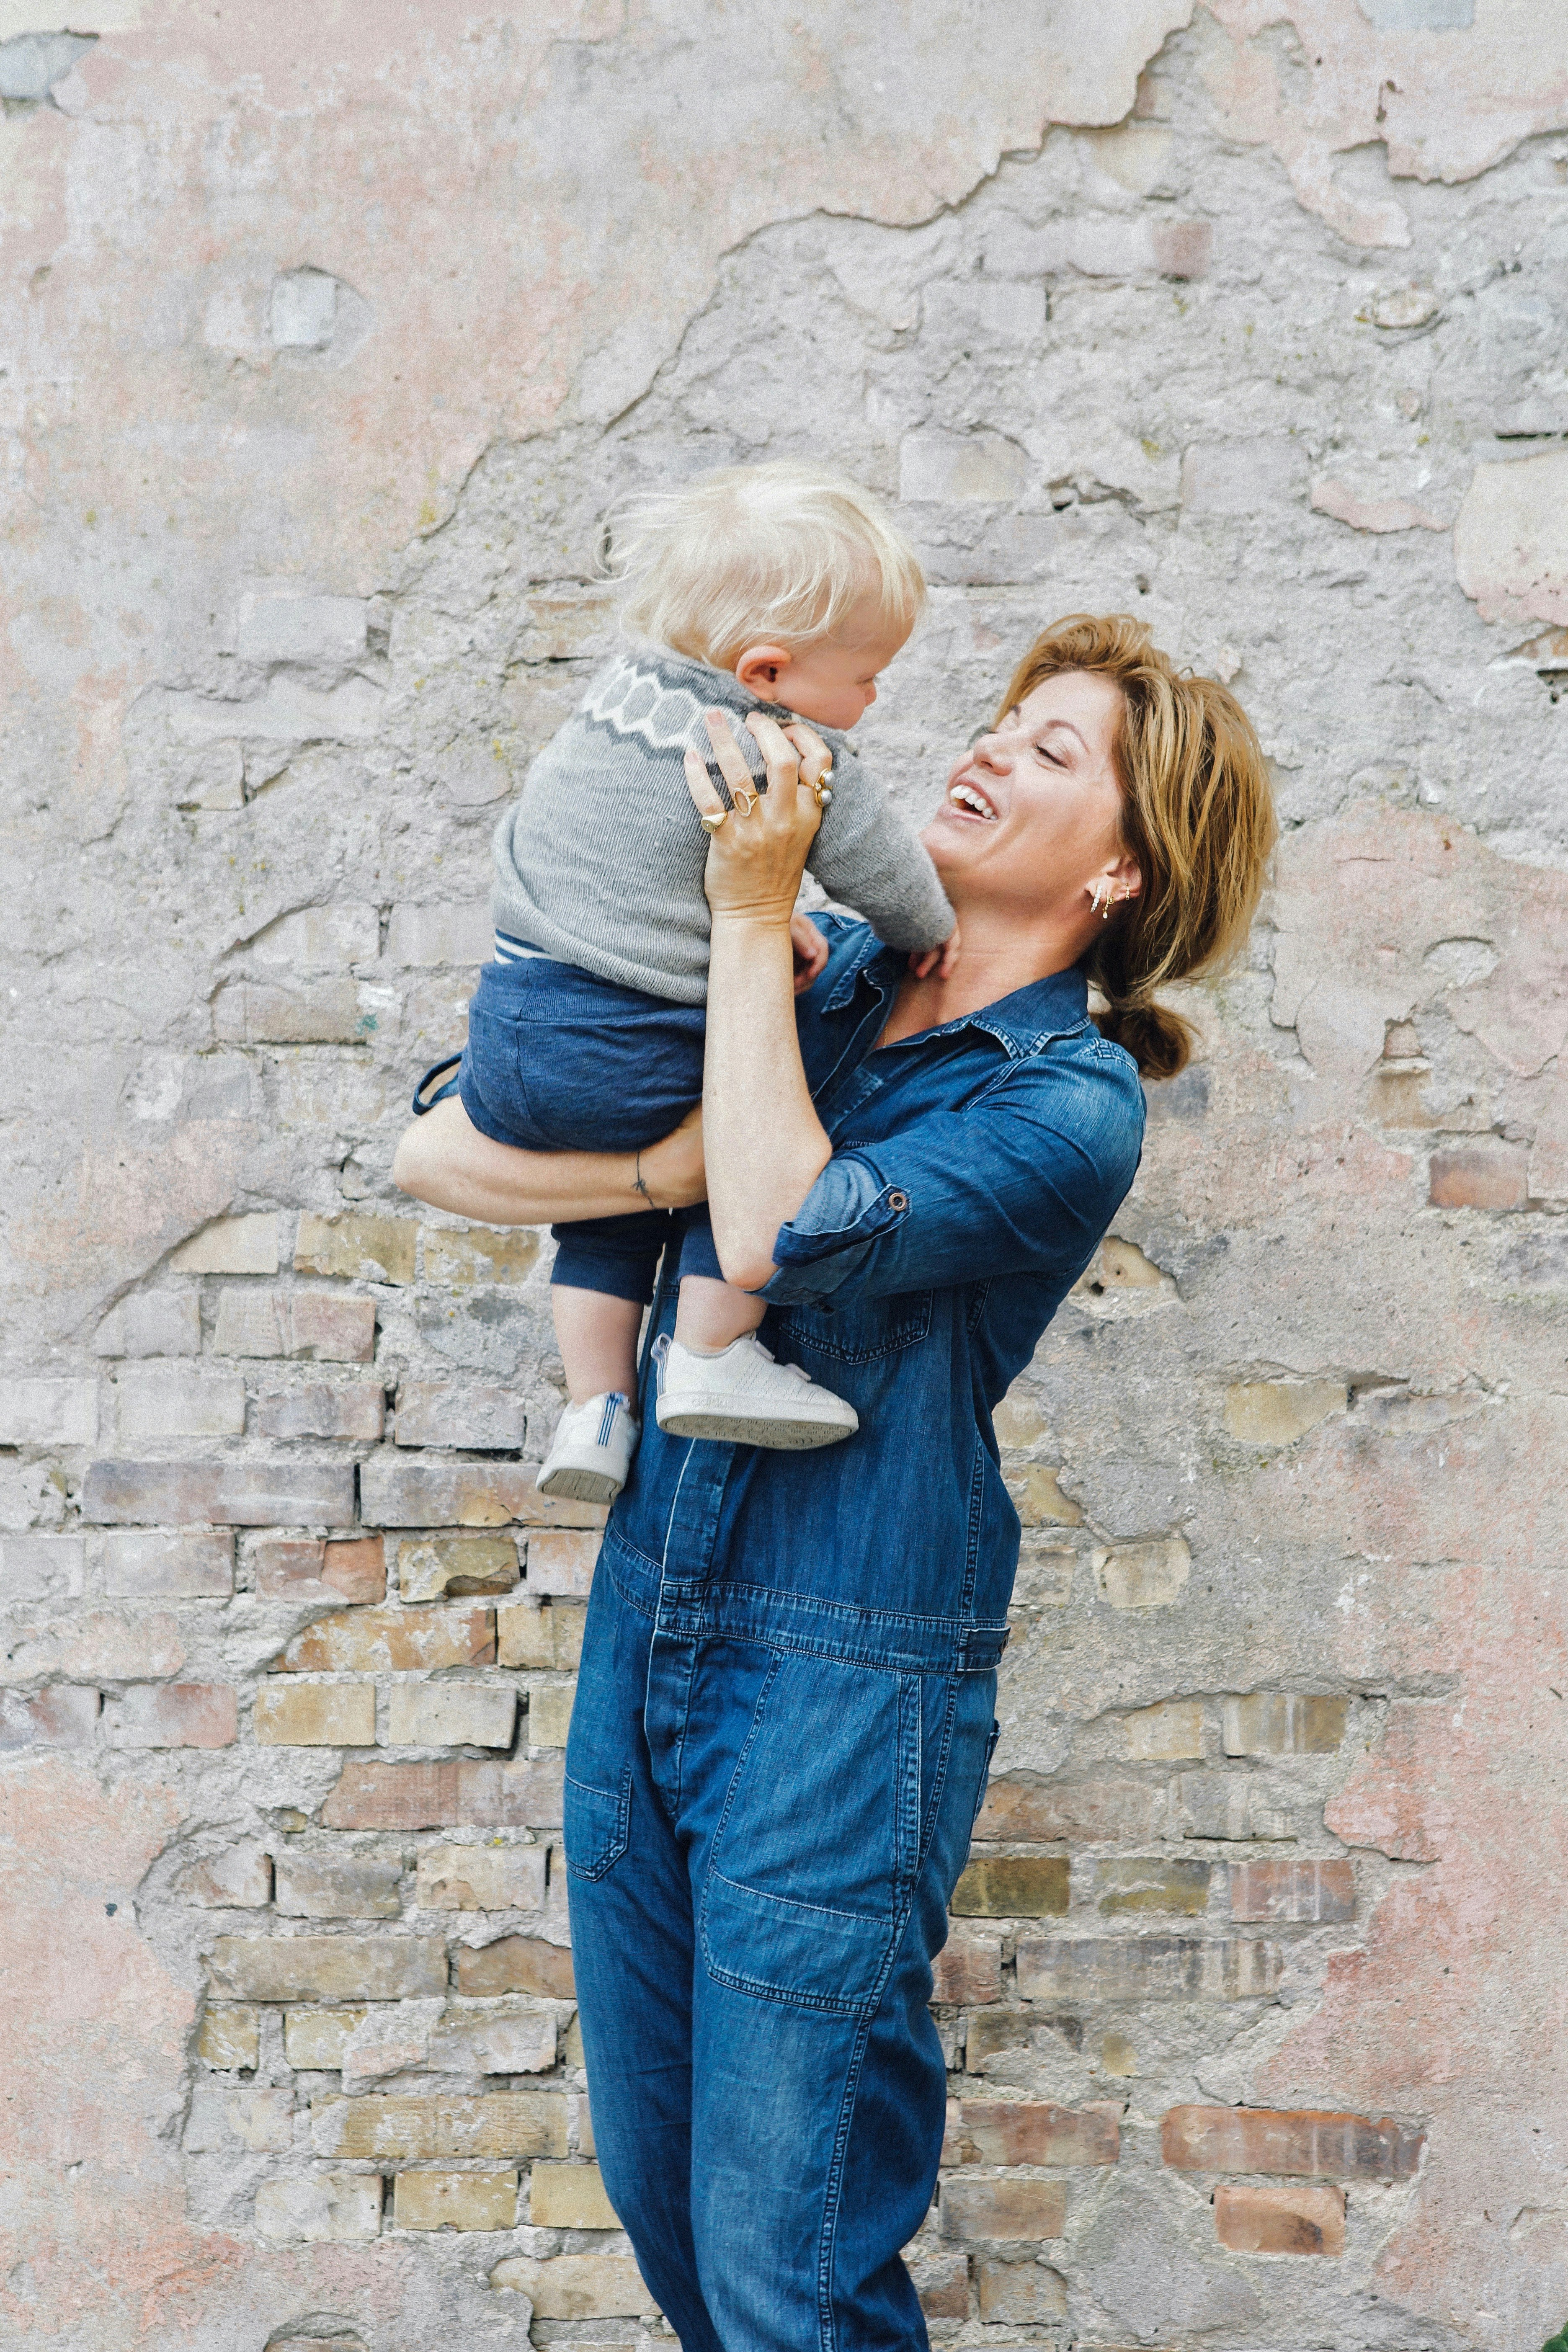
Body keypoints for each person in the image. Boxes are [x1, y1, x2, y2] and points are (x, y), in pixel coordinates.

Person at [392, 612, 1277, 2351]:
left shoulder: (1066, 1101)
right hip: (651, 1616)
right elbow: (449, 1130)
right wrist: (672, 1114)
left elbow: (782, 1226)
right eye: (1003, 719)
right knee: (667, 2210)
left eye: (1053, 751)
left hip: (843, 1679)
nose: (989, 750)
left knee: (786, 2265)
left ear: (1123, 866)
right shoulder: (841, 968)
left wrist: (738, 923)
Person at [460, 461, 957, 1506]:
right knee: (754, 1104)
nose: (876, 697)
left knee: (601, 1217)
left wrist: (759, 934)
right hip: (620, 1042)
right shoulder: (790, 750)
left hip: (509, 1028)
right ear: (768, 672)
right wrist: (928, 931)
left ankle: (594, 1409)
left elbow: (626, 871)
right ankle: (710, 1350)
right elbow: (882, 869)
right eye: (869, 675)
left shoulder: (616, 699)